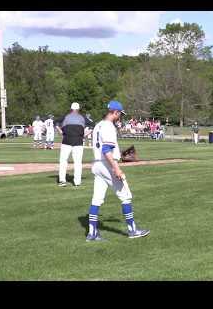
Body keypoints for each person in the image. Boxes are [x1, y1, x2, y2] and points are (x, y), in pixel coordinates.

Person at [86, 100, 150, 242]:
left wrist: (119, 155)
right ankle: (133, 230)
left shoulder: (98, 125)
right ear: (115, 112)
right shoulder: (109, 126)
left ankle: (92, 233)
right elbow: (106, 149)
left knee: (96, 199)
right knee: (125, 196)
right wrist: (116, 168)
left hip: (97, 165)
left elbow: (104, 148)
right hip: (107, 165)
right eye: (120, 113)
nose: (120, 116)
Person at [56, 102, 88, 187]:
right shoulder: (82, 117)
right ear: (78, 109)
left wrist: (60, 132)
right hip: (78, 141)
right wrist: (85, 134)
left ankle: (62, 181)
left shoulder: (66, 116)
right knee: (78, 163)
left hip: (66, 141)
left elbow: (55, 122)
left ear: (71, 108)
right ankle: (77, 182)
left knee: (63, 161)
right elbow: (93, 125)